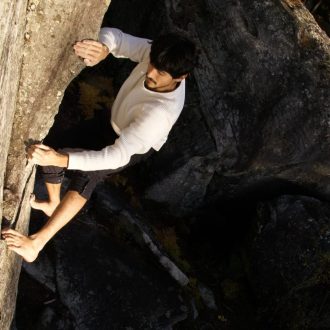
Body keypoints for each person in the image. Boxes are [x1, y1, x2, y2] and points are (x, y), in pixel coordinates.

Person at [1, 27, 197, 262]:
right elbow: (118, 38)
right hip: (114, 118)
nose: (151, 71)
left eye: (161, 72)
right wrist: (104, 48)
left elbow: (116, 157)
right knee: (54, 148)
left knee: (86, 174)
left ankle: (36, 244)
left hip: (131, 147)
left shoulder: (159, 114)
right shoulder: (159, 54)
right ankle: (53, 203)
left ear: (180, 77)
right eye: (152, 63)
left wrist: (62, 160)